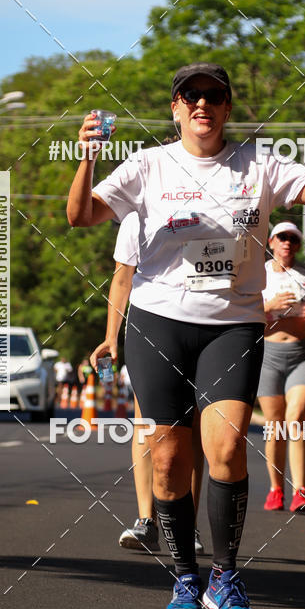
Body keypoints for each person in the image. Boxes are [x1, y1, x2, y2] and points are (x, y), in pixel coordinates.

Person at [67, 62, 305, 609]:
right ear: (175, 108)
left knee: (223, 450)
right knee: (169, 457)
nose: (202, 104)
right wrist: (87, 157)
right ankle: (183, 577)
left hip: (232, 325)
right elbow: (79, 216)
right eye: (189, 95)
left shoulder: (259, 164)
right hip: (157, 324)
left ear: (227, 108)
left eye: (214, 96)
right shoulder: (148, 166)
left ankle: (225, 575)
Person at [90, 212, 205, 554]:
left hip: (203, 325)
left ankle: (189, 525)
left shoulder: (209, 206)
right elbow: (122, 278)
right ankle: (147, 521)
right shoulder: (136, 219)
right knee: (146, 424)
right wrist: (111, 337)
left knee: (194, 428)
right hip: (151, 328)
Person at [257, 222, 305, 512]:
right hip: (268, 355)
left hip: (302, 354)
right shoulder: (257, 274)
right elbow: (240, 311)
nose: (288, 243)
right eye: (282, 238)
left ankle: (300, 490)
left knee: (296, 418)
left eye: (293, 239)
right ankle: (276, 489)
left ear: (298, 245)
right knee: (274, 427)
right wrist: (270, 305)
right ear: (271, 242)